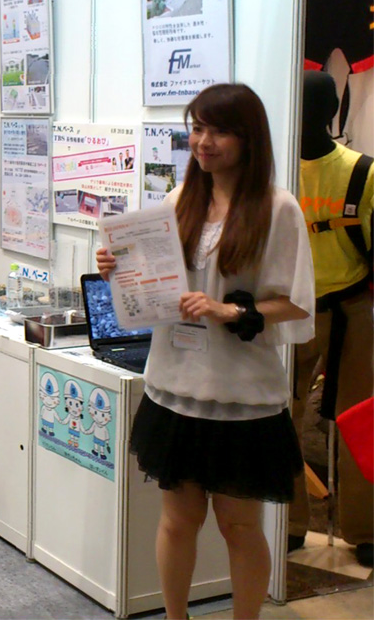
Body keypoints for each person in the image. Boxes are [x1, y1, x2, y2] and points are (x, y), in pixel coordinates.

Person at [97, 83, 315, 620]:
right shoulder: (179, 200)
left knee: (239, 527)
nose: (203, 141)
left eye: (218, 130)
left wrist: (230, 312)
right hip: (175, 387)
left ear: (249, 138)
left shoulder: (277, 209)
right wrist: (116, 269)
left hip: (241, 396)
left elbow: (296, 304)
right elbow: (155, 282)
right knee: (176, 521)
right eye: (196, 128)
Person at [288, 70, 373, 566]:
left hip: (350, 309)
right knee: (282, 419)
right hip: (289, 312)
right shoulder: (274, 172)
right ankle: (291, 521)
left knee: (360, 421)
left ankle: (364, 528)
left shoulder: (363, 172)